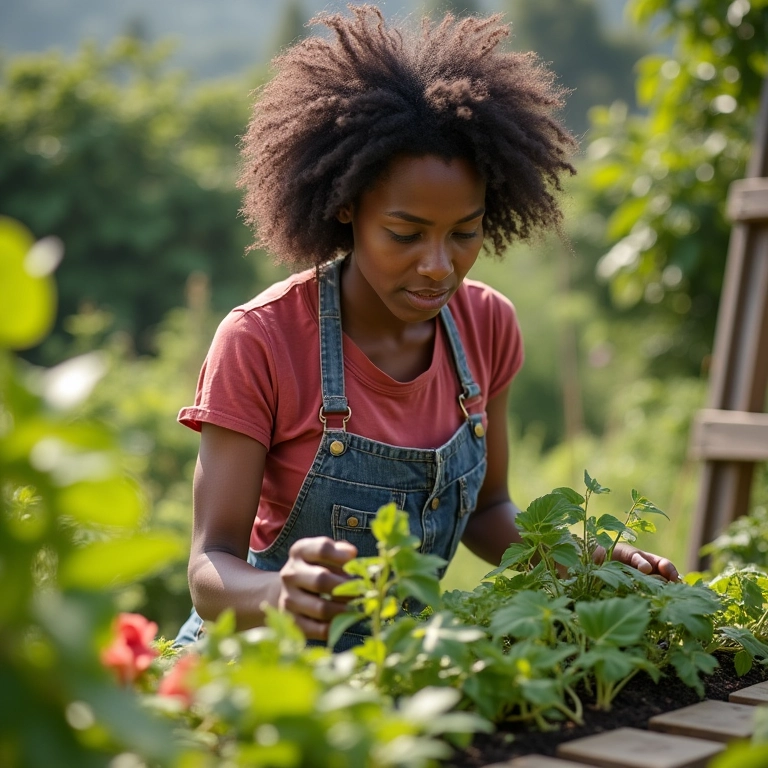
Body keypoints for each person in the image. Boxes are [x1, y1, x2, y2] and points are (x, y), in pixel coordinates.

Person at [175, 5, 678, 650]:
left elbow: (488, 512)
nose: (439, 266)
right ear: (347, 208)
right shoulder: (261, 341)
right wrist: (280, 594)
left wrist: (587, 563)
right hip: (257, 664)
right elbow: (208, 568)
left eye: (464, 233)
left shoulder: (487, 324)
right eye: (405, 234)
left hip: (404, 666)